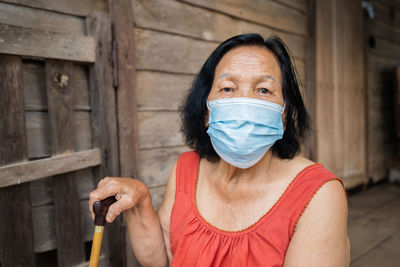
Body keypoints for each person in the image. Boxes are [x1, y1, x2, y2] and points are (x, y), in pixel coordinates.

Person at [89, 33, 350, 267]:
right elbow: (164, 260)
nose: (244, 103)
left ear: (284, 115)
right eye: (227, 88)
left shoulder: (319, 195)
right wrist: (141, 200)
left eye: (263, 90)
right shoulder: (186, 168)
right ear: (205, 112)